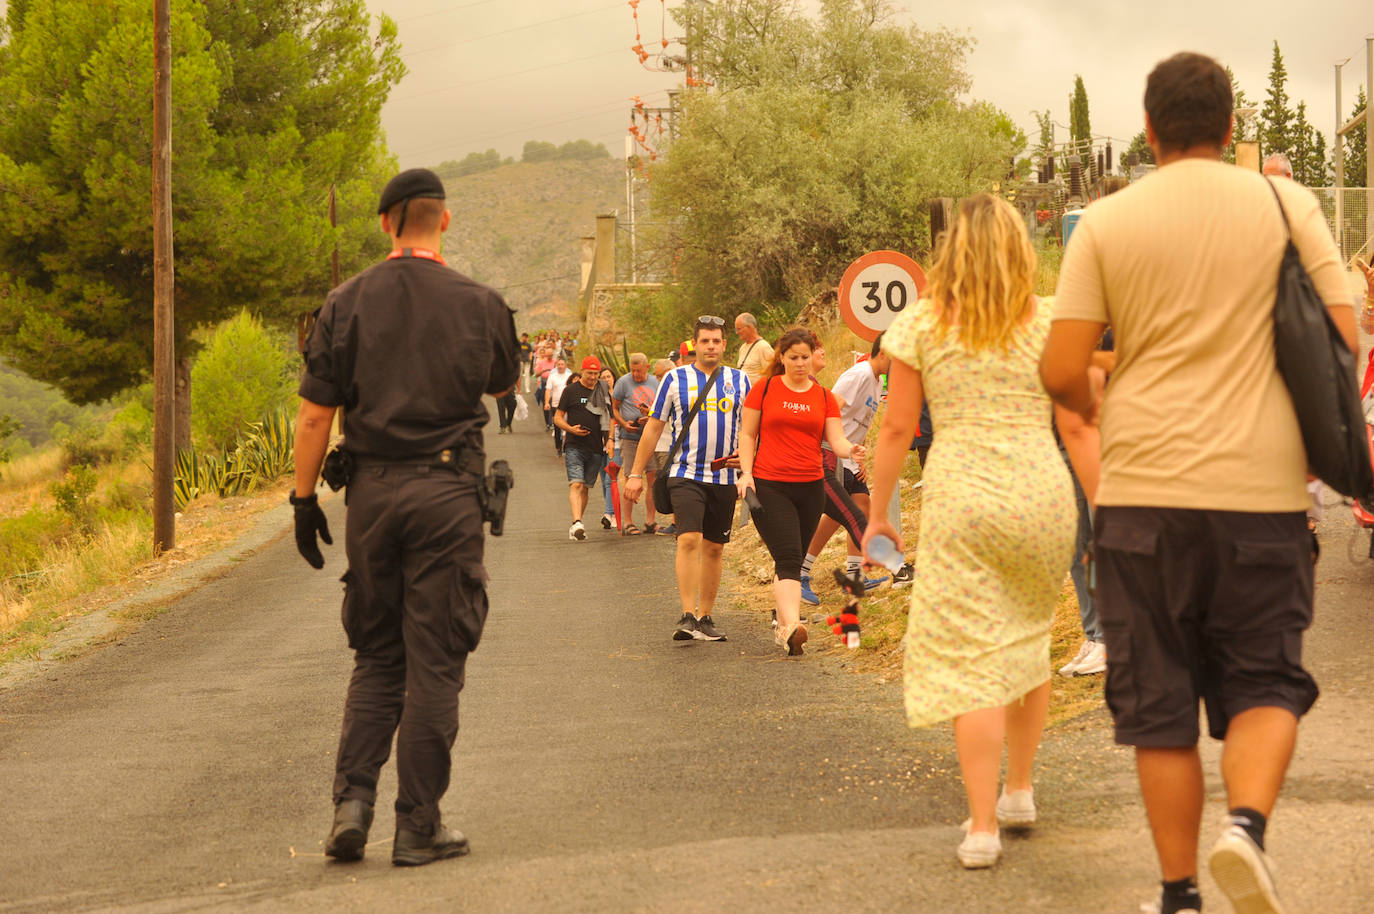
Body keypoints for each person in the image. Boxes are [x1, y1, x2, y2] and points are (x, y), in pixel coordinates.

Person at [1039, 53, 1358, 914]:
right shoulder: (1286, 202)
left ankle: (1178, 895)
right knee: (1265, 682)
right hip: (1263, 495)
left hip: (1143, 497)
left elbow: (1063, 368)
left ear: (1148, 131)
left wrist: (1104, 382)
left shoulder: (1108, 220)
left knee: (1160, 705)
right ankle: (1244, 831)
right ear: (1231, 131)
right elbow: (1342, 336)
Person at [291, 167, 519, 867]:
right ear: (443, 221)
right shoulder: (480, 302)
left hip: (373, 497)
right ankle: (419, 825)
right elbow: (504, 382)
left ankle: (351, 806)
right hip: (447, 495)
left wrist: (304, 503)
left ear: (386, 223)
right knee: (436, 661)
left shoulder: (345, 302)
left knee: (379, 655)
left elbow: (313, 417)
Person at [862, 193, 1075, 871]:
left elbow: (896, 428)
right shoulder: (1046, 323)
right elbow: (1077, 419)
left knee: (967, 657)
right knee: (1028, 636)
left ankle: (983, 827)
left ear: (951, 252)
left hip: (963, 502)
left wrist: (876, 515)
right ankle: (1019, 790)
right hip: (1042, 494)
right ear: (1020, 249)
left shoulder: (923, 324)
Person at [737, 327, 864, 655]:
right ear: (781, 358)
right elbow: (748, 435)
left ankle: (783, 628)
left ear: (812, 358)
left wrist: (853, 450)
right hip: (769, 484)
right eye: (792, 358)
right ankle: (793, 624)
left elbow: (835, 440)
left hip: (811, 486)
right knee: (790, 556)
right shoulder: (764, 390)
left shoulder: (823, 397)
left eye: (805, 357)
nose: (799, 363)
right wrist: (747, 474)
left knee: (787, 560)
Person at [624, 317, 750, 641]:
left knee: (714, 549)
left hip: (723, 477)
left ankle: (706, 616)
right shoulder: (674, 379)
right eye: (705, 341)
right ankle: (687, 615)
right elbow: (653, 427)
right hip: (684, 473)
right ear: (695, 345)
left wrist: (749, 462)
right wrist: (635, 474)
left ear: (724, 345)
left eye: (716, 341)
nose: (711, 346)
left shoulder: (740, 381)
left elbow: (753, 430)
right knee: (689, 539)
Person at [801, 334, 893, 605]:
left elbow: (862, 423)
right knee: (841, 512)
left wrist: (860, 460)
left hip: (851, 456)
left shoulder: (877, 381)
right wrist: (828, 450)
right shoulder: (860, 374)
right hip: (833, 453)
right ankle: (802, 572)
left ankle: (855, 578)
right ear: (885, 353)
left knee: (861, 506)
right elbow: (832, 409)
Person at [554, 356, 609, 541]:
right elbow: (558, 417)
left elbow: (608, 418)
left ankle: (577, 522)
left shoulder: (603, 390)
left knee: (585, 487)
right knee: (576, 483)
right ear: (582, 371)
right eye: (589, 373)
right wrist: (570, 429)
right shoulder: (570, 390)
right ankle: (577, 522)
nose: (593, 377)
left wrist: (608, 441)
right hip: (574, 445)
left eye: (596, 373)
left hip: (595, 448)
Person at [612, 353, 660, 535]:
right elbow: (614, 407)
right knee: (630, 476)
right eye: (632, 371)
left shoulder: (655, 382)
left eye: (639, 371)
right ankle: (628, 522)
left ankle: (650, 520)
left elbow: (660, 408)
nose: (636, 375)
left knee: (652, 478)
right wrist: (624, 424)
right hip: (630, 438)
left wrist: (650, 417)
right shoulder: (623, 383)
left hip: (650, 436)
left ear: (647, 368)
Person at [649, 358, 677, 536]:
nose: (658, 380)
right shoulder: (664, 387)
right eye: (657, 376)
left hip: (671, 444)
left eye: (661, 376)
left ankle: (677, 522)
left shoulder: (677, 387)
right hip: (661, 442)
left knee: (673, 483)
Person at [594, 365, 619, 530]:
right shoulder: (595, 397)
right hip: (599, 443)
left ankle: (609, 513)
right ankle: (611, 515)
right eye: (602, 377)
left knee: (611, 479)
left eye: (608, 376)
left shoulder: (619, 395)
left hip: (616, 441)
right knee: (604, 481)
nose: (606, 380)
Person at [734, 312, 775, 383]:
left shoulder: (763, 347)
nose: (737, 333)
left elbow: (773, 375)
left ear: (749, 327)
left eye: (739, 329)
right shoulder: (743, 348)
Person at [544, 356, 573, 454]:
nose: (560, 366)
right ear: (556, 366)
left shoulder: (570, 375)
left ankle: (567, 446)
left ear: (565, 365)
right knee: (557, 427)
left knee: (569, 426)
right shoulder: (552, 377)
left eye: (562, 364)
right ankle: (558, 447)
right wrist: (547, 402)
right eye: (559, 364)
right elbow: (548, 390)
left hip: (568, 405)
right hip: (556, 405)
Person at [534, 346, 557, 432]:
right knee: (545, 403)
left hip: (554, 384)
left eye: (551, 355)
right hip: (544, 383)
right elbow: (536, 375)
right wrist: (543, 371)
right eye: (548, 355)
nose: (549, 356)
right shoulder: (541, 363)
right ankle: (547, 423)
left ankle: (553, 423)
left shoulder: (555, 362)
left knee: (554, 403)